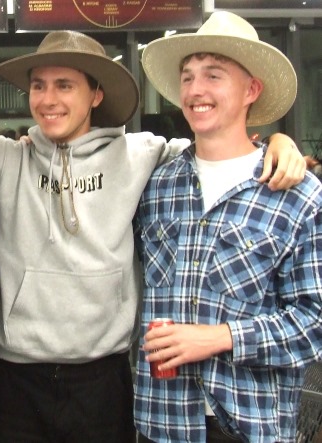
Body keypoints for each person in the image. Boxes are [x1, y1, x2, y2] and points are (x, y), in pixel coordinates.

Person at [0, 31, 305, 443]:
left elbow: (220, 146)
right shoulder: (1, 160)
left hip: (104, 380)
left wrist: (276, 143)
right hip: (18, 381)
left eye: (64, 85)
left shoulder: (142, 155)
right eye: (38, 85)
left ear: (96, 94)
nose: (47, 98)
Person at [135, 11, 322, 443]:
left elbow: (314, 323)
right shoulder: (157, 185)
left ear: (251, 89)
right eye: (187, 76)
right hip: (162, 422)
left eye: (214, 75)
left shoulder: (296, 194)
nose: (195, 90)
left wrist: (222, 338)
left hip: (250, 424)